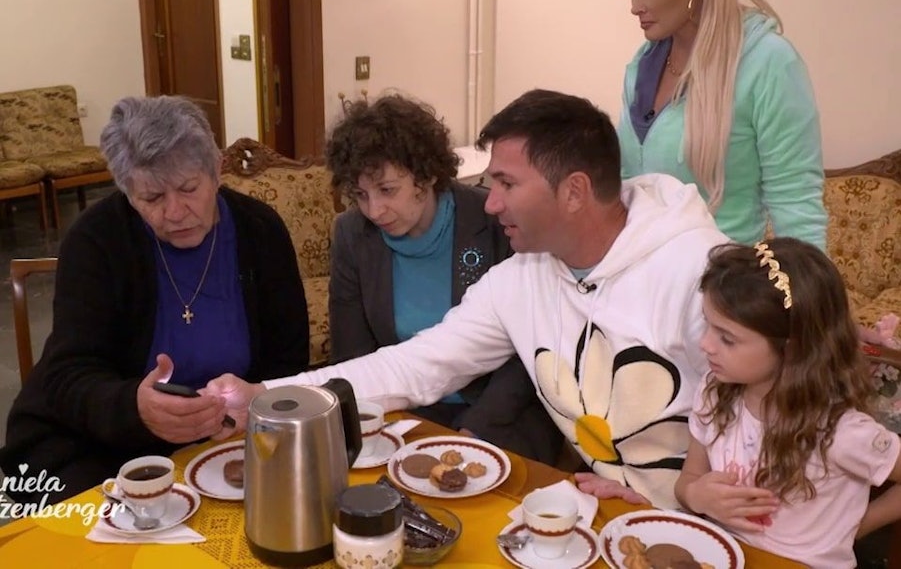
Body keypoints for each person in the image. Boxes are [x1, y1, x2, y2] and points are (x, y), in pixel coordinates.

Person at [205, 88, 729, 508]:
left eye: (505, 183)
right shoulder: (521, 279)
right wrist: (268, 394)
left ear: (573, 191)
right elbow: (414, 365)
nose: (491, 201)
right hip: (613, 508)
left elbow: (778, 420)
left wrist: (675, 497)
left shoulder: (699, 272)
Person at [0, 95, 310, 503]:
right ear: (127, 192)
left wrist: (247, 409)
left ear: (216, 171)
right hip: (99, 443)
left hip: (230, 440)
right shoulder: (96, 240)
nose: (175, 212)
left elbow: (288, 359)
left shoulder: (260, 231)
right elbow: (68, 374)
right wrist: (134, 408)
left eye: (188, 188)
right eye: (151, 198)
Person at [326, 92, 562, 464]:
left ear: (427, 174)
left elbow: (528, 351)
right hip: (400, 414)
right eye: (360, 195)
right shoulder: (352, 235)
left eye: (388, 190)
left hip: (500, 413)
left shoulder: (494, 221)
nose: (374, 210)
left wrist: (474, 430)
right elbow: (352, 353)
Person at [675, 237, 901, 568]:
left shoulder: (840, 431)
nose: (705, 343)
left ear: (791, 348)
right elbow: (689, 479)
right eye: (707, 323)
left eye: (727, 338)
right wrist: (696, 496)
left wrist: (852, 528)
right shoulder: (715, 391)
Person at [619, 0, 828, 249]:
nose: (635, 6)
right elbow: (627, 189)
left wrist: (812, 301)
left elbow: (796, 204)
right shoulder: (642, 65)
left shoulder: (768, 62)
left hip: (723, 286)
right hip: (643, 279)